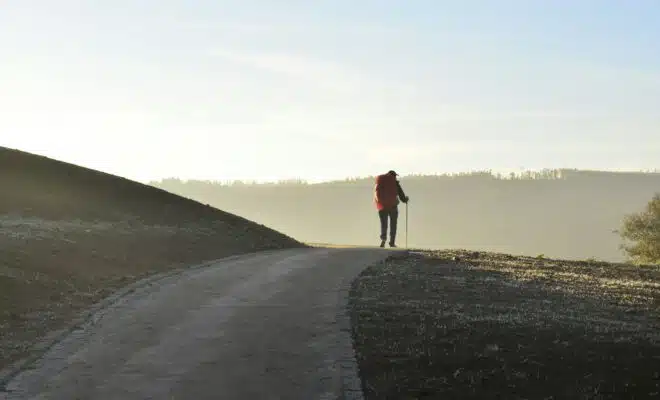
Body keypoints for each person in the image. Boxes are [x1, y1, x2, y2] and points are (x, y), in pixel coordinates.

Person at [373, 170, 409, 247]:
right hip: (393, 207)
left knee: (384, 224)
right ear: (393, 176)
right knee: (393, 225)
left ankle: (383, 239)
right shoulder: (394, 183)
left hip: (382, 207)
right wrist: (405, 200)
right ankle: (392, 242)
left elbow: (376, 194)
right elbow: (401, 195)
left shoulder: (380, 182)